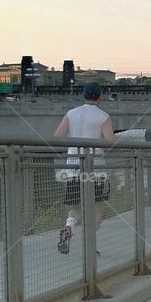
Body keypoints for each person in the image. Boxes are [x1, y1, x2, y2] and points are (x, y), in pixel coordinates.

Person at [54, 82, 114, 254]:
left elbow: (57, 136)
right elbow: (110, 142)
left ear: (84, 95)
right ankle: (89, 245)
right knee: (96, 208)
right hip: (96, 169)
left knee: (75, 206)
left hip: (73, 167)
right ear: (99, 96)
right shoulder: (103, 116)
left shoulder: (71, 114)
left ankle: (69, 228)